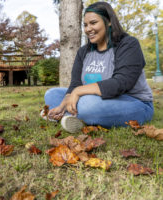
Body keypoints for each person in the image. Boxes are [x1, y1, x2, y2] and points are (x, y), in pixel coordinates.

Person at [44, 2, 153, 133]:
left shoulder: (128, 44)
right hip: (94, 99)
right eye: (85, 25)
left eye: (93, 23)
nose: (88, 29)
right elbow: (75, 84)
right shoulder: (83, 51)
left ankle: (73, 115)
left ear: (109, 22)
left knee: (86, 105)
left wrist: (78, 91)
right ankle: (70, 115)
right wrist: (62, 105)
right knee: (52, 95)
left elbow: (122, 83)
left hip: (134, 102)